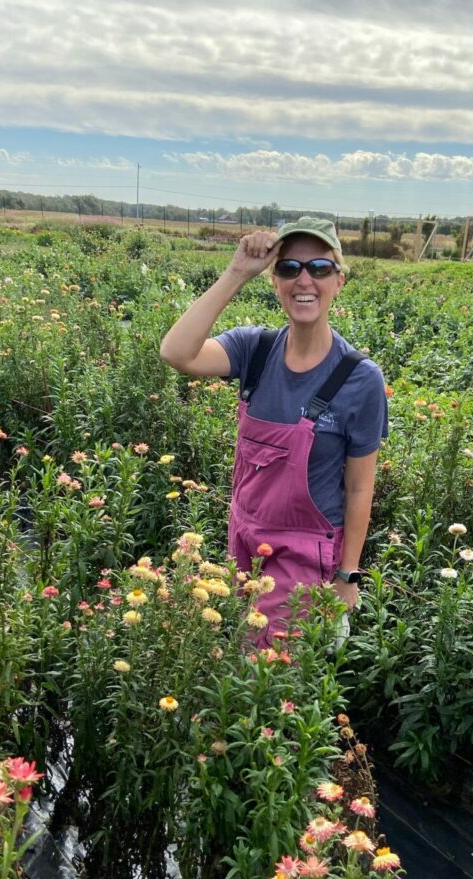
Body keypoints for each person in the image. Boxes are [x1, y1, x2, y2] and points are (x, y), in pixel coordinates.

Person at [160, 216, 388, 640]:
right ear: (275, 281)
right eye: (289, 268)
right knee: (240, 665)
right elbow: (177, 352)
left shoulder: (359, 379)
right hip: (244, 541)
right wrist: (237, 271)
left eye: (320, 268)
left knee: (269, 675)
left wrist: (347, 577)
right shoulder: (254, 350)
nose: (305, 280)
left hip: (306, 556)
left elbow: (360, 488)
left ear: (339, 281)